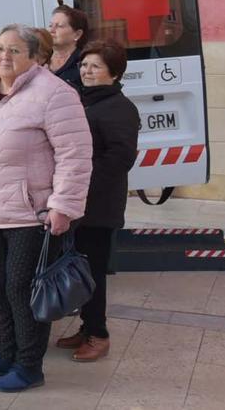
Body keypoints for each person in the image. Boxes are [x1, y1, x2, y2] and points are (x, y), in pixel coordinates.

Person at [0, 24, 91, 393]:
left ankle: (29, 365)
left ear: (34, 57)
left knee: (20, 288)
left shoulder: (55, 94)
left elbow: (75, 155)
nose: (4, 57)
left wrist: (63, 206)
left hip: (32, 214)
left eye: (14, 51)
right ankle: (5, 353)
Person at [57, 40, 139, 362]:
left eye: (95, 66)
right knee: (79, 269)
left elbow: (119, 158)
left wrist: (81, 185)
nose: (86, 71)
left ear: (115, 73)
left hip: (98, 206)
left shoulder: (120, 108)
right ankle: (86, 325)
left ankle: (99, 334)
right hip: (77, 202)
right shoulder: (82, 100)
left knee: (92, 271)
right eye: (83, 65)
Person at [48, 5, 89, 88]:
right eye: (50, 25)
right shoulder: (40, 57)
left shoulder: (84, 62)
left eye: (59, 26)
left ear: (77, 34)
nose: (51, 30)